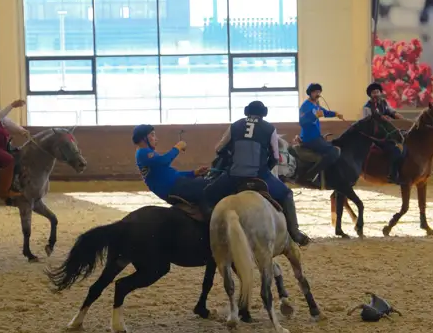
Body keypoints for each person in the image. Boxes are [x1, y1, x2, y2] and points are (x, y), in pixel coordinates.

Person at [206, 100, 310, 246]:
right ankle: (295, 233)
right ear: (264, 114)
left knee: (208, 193)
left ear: (247, 111)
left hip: (234, 176)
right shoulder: (269, 129)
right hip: (260, 175)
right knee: (287, 194)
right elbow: (275, 156)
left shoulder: (235, 125)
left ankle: (209, 231)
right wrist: (265, 170)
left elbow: (219, 149)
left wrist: (231, 158)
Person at [132, 124, 211, 210]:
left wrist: (194, 173)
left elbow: (173, 174)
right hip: (173, 188)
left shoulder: (146, 154)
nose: (156, 138)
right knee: (208, 186)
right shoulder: (143, 152)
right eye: (152, 134)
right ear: (144, 138)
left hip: (175, 185)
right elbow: (164, 161)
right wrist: (178, 147)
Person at [298, 83, 345, 183]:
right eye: (315, 92)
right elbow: (302, 122)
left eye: (319, 92)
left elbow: (324, 112)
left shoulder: (316, 104)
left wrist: (335, 114)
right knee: (334, 152)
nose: (318, 94)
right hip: (309, 138)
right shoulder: (305, 106)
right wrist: (314, 116)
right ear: (310, 93)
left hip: (317, 137)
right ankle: (310, 175)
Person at [362, 83, 405, 183]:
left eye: (377, 92)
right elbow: (366, 121)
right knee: (395, 150)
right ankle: (392, 174)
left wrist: (396, 114)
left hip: (386, 133)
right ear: (370, 95)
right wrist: (380, 118)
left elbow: (390, 111)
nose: (376, 94)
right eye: (373, 92)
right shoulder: (367, 108)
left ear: (380, 93)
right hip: (375, 136)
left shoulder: (384, 103)